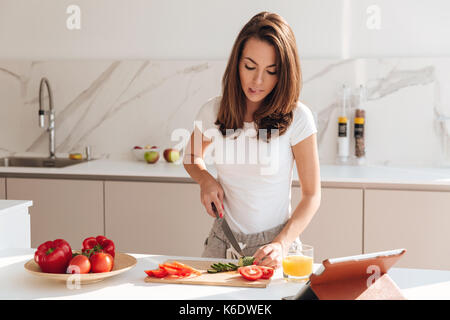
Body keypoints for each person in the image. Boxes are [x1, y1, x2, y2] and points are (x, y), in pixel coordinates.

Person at [183, 11, 321, 269]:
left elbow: (312, 195)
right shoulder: (213, 111)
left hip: (275, 247)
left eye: (271, 71)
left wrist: (282, 244)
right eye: (250, 67)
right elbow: (191, 157)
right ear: (236, 63)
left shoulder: (298, 118)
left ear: (284, 74)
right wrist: (205, 179)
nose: (258, 81)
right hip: (223, 243)